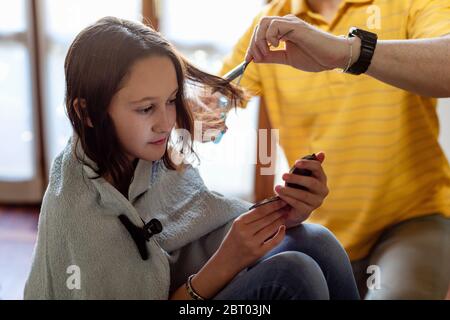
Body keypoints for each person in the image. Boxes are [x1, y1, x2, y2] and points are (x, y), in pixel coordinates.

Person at [23, 17, 359, 300]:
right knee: (294, 275)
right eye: (145, 108)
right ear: (87, 111)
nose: (167, 122)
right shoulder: (76, 212)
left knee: (317, 241)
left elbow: (202, 223)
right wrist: (228, 261)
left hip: (189, 285)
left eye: (170, 101)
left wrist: (285, 212)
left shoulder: (148, 158)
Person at [218, 0, 450, 299]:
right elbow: (212, 103)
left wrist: (348, 52)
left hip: (413, 218)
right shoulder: (269, 22)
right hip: (318, 229)